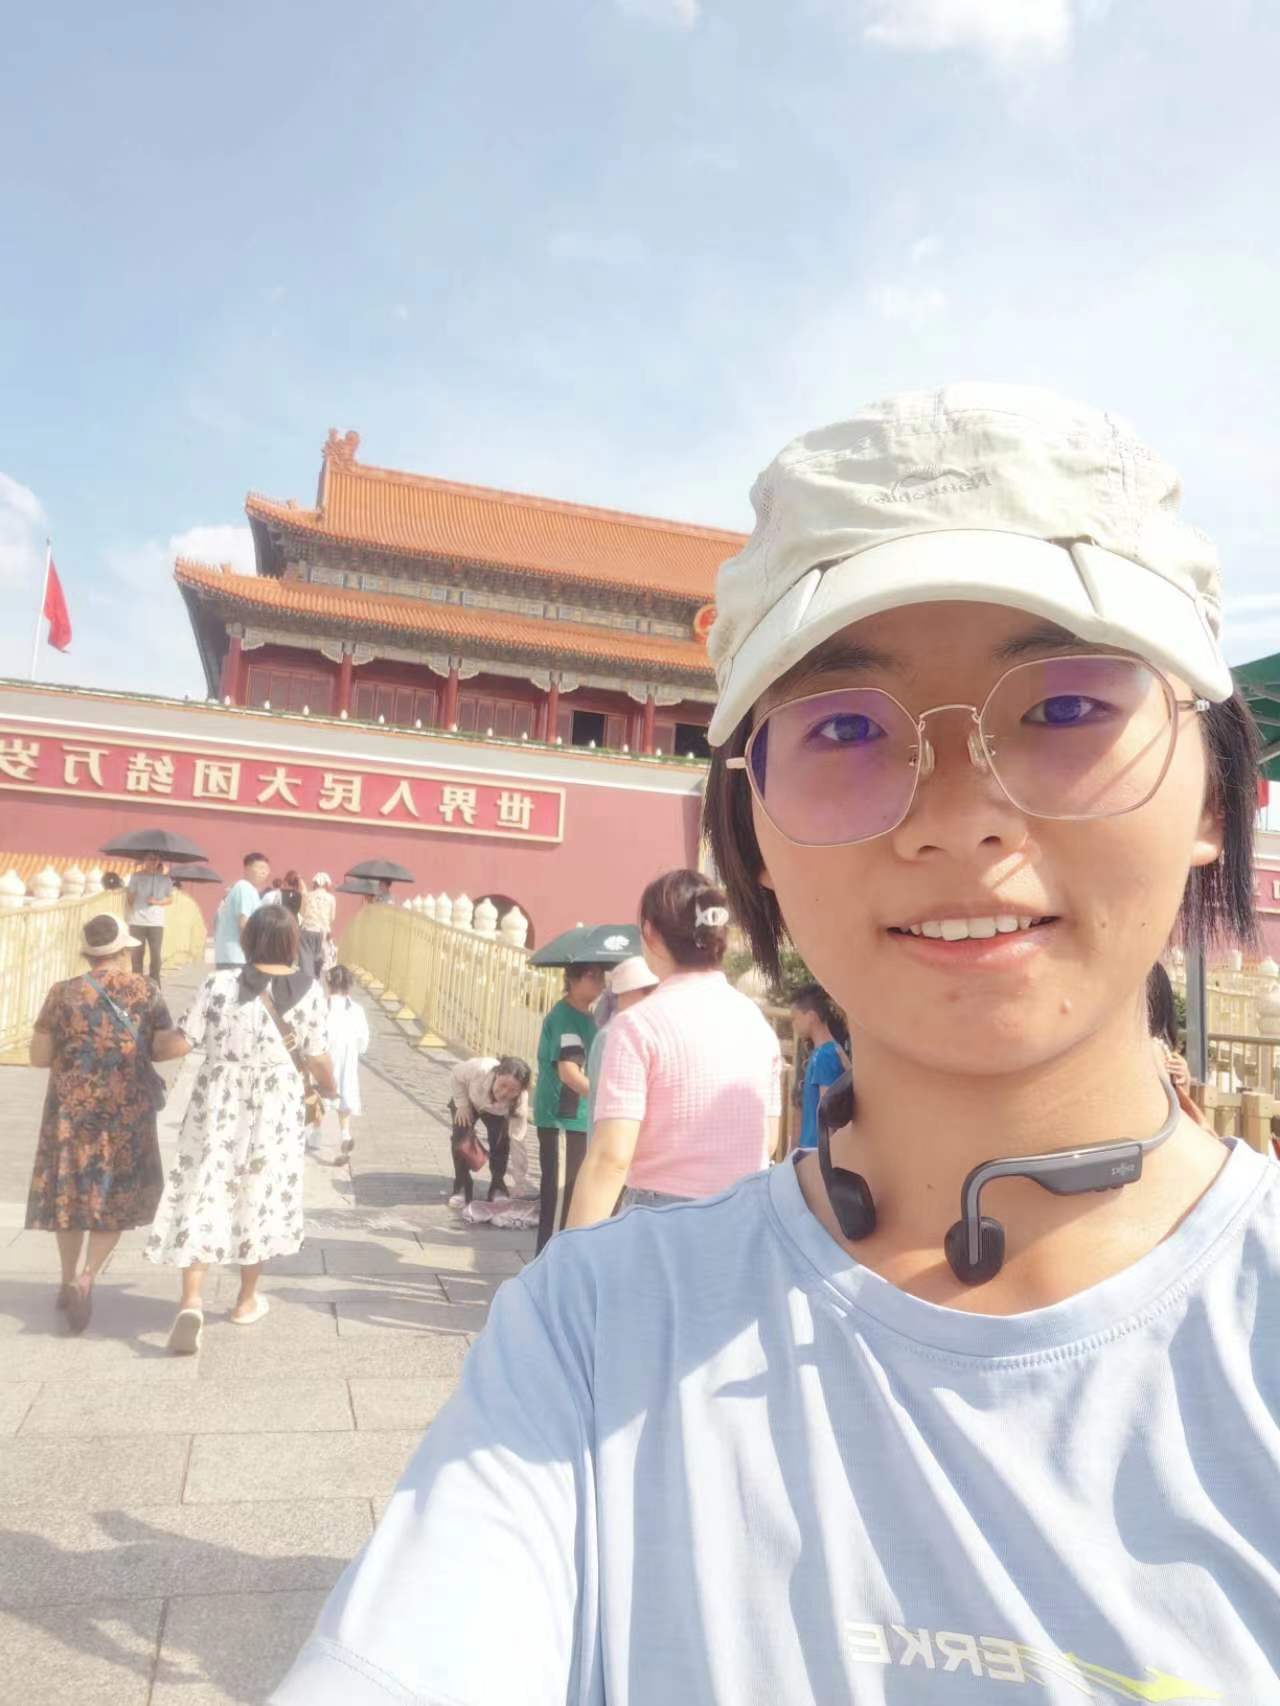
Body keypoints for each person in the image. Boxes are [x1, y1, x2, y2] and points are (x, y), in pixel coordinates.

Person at [274, 387, 1280, 1705]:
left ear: (1216, 789)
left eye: (1068, 706)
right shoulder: (592, 1337)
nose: (956, 815)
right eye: (845, 729)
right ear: (746, 832)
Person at [146, 904, 335, 1351]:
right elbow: (318, 1057)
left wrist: (149, 1038)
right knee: (260, 1193)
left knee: (203, 1186)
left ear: (248, 941)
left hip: (218, 1101)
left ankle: (191, 1299)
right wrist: (328, 1089)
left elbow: (180, 1043)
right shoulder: (310, 991)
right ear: (293, 944)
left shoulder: (218, 984)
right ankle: (246, 1300)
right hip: (276, 1107)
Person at [567, 870, 781, 1225]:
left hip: (661, 1217)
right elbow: (767, 1139)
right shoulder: (757, 1024)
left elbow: (611, 1158)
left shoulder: (637, 1025)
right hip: (744, 1215)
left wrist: (572, 1249)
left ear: (650, 933)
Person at [25, 913, 184, 1335]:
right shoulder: (145, 991)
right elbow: (162, 1048)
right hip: (124, 1114)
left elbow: (38, 1057)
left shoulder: (62, 993)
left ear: (88, 951)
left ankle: (65, 1279)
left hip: (69, 1114)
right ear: (123, 951)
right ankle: (87, 1276)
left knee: (70, 1197)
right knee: (113, 1198)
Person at [532, 961, 605, 1252]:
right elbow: (570, 1073)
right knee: (560, 1200)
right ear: (573, 979)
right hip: (564, 1118)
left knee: (573, 1196)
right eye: (592, 975)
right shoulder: (565, 1018)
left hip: (580, 1119)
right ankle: (546, 1267)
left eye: (601, 975)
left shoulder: (589, 1017)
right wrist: (605, 1099)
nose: (600, 981)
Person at [585, 954, 658, 1132]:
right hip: (610, 1136)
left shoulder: (643, 1033)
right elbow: (608, 1097)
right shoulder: (610, 1036)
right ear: (627, 993)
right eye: (647, 991)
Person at [448, 1056, 533, 1208]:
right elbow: (455, 1074)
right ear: (497, 1074)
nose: (504, 1093)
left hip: (497, 1112)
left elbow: (518, 1141)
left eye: (513, 1090)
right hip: (469, 1101)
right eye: (503, 1085)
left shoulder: (519, 1102)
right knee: (460, 1141)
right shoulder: (480, 1068)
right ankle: (462, 1185)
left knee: (501, 1144)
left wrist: (519, 1183)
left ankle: (497, 1186)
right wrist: (462, 1104)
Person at [790, 982, 849, 1150]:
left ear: (811, 1017)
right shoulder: (825, 1052)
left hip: (816, 1150)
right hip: (812, 1148)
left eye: (795, 1018)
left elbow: (827, 1112)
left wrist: (827, 1155)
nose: (793, 1025)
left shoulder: (824, 1056)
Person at [320, 964, 370, 1160]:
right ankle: (345, 1134)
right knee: (345, 1094)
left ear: (328, 984)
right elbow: (363, 1043)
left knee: (321, 1095)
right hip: (347, 1059)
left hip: (324, 1059)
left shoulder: (323, 1006)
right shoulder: (356, 1010)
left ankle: (315, 1133)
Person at [213, 851, 269, 969]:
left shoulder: (251, 890)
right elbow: (244, 923)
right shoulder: (244, 887)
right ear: (247, 868)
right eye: (260, 867)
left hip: (234, 956)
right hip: (236, 956)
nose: (264, 872)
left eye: (266, 869)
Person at [125, 854, 173, 983]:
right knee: (136, 956)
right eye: (150, 859)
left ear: (159, 861)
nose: (152, 862)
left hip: (156, 922)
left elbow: (170, 899)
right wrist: (135, 902)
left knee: (155, 955)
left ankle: (155, 985)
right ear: (144, 860)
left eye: (155, 859)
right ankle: (137, 985)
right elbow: (130, 897)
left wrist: (157, 902)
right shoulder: (136, 877)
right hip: (137, 921)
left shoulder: (165, 879)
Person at [299, 871, 336, 979]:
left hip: (307, 930)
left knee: (306, 958)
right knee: (320, 959)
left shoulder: (307, 895)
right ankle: (316, 980)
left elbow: (302, 913)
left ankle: (307, 983)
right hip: (322, 932)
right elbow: (332, 918)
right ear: (327, 884)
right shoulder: (331, 898)